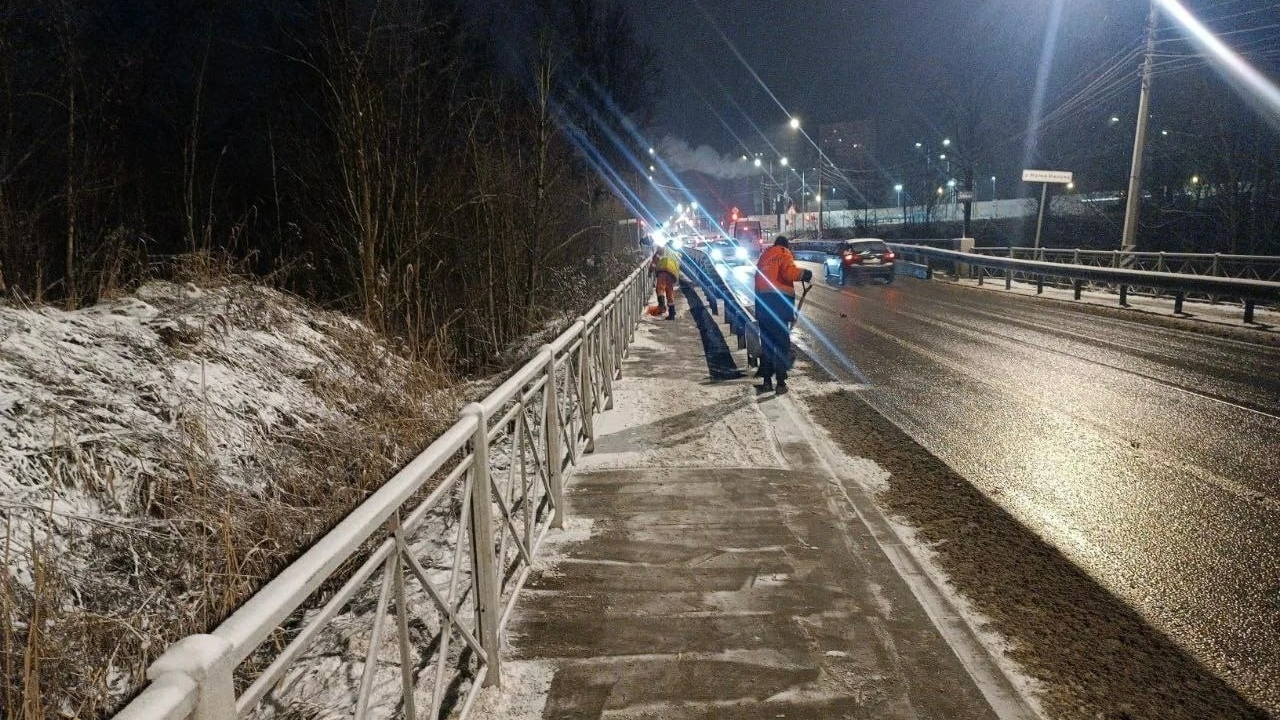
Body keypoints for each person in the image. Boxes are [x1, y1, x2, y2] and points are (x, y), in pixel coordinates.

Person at [753, 235, 811, 394]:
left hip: (763, 306)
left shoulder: (765, 255)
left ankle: (766, 382)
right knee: (781, 345)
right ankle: (780, 383)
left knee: (767, 344)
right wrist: (804, 274)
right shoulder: (783, 253)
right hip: (778, 306)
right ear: (786, 246)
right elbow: (788, 272)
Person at [650, 241, 681, 320]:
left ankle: (662, 306)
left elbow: (655, 259)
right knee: (669, 291)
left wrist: (651, 269)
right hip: (672, 273)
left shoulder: (662, 248)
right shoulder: (677, 253)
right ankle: (672, 312)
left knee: (660, 288)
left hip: (663, 269)